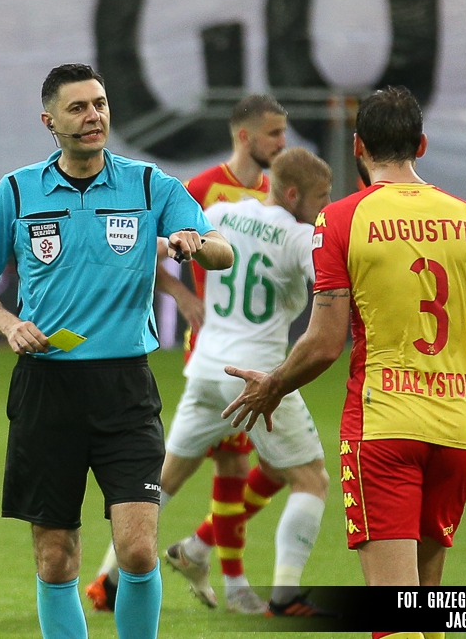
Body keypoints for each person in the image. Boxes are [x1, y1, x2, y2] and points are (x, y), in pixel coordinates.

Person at [222, 86, 466, 638]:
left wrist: (274, 385)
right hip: (454, 429)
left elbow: (324, 343)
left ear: (357, 146)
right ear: (421, 144)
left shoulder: (342, 219)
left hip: (384, 426)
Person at [0, 63, 233, 639]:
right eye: (78, 107)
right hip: (46, 389)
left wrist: (195, 242)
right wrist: (10, 325)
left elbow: (222, 252)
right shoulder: (16, 191)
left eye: (101, 104)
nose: (94, 116)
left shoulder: (147, 184)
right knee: (55, 557)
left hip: (124, 391)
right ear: (49, 122)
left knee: (137, 550)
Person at [86, 94, 290, 613]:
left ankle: (129, 574)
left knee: (227, 467)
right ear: (244, 135)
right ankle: (216, 577)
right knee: (225, 467)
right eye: (273, 133)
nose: (281, 143)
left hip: (252, 351)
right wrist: (180, 293)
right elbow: (137, 244)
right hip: (215, 349)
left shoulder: (273, 193)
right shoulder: (202, 187)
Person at [161, 147, 335, 616]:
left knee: (163, 481)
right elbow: (335, 289)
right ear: (294, 194)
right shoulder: (302, 237)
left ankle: (128, 573)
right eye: (322, 196)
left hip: (206, 368)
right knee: (311, 478)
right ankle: (286, 595)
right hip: (258, 376)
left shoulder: (222, 213)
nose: (326, 206)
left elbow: (167, 247)